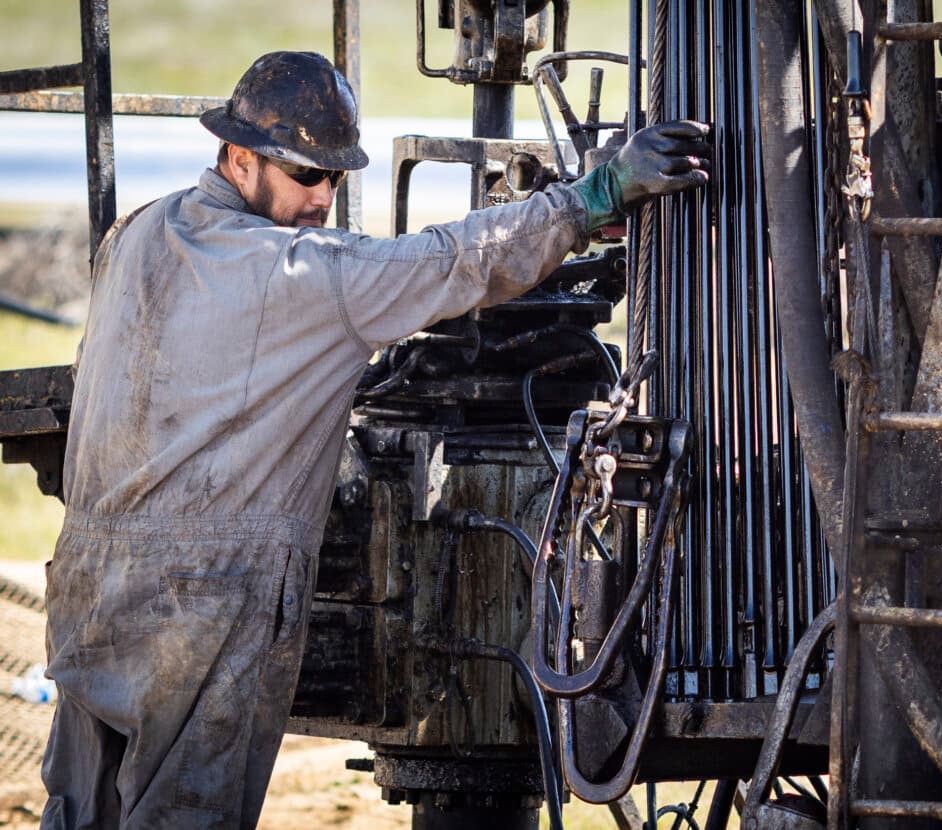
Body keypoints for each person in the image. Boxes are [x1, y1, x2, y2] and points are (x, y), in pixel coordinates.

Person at [39, 50, 709, 829]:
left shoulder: (135, 234)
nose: (324, 197)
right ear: (238, 157)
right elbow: (453, 263)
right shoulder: (302, 276)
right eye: (306, 176)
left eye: (336, 178)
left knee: (76, 816)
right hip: (203, 606)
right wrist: (591, 197)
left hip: (90, 586)